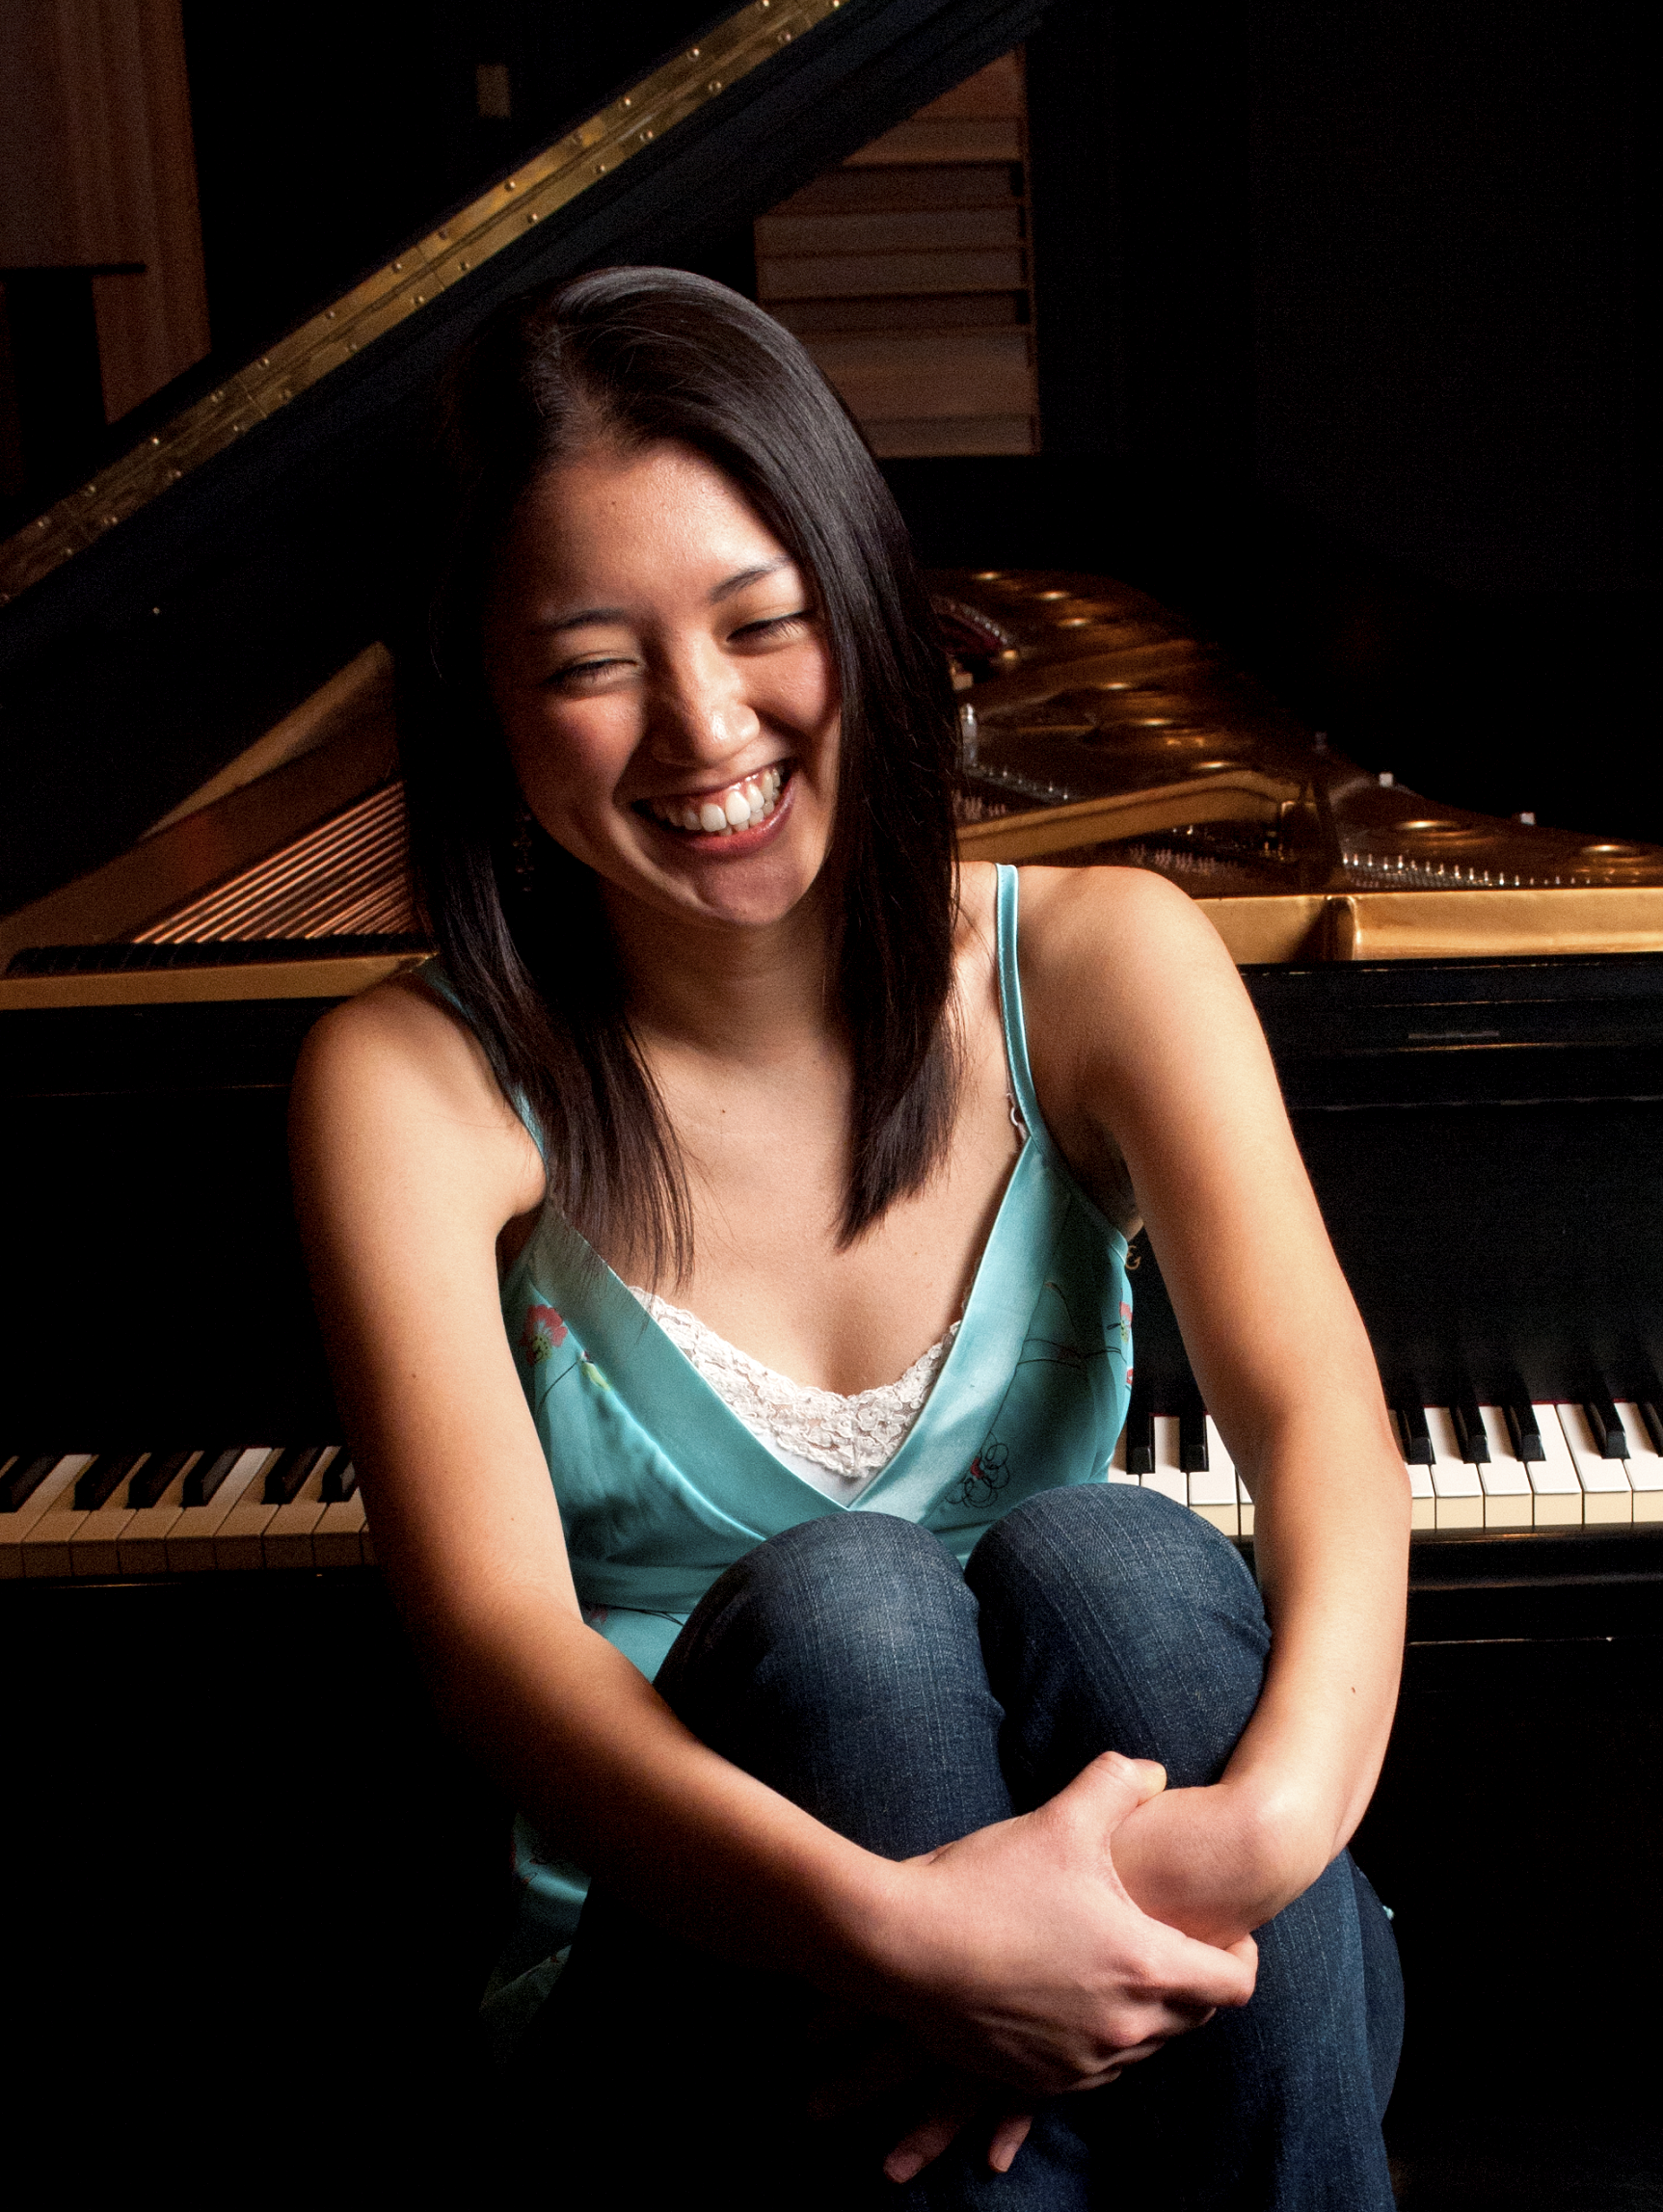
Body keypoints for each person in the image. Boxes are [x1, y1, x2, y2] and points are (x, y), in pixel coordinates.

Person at [289, 266, 1410, 2204]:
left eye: (761, 619)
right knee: (852, 1611)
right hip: (692, 1977)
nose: (704, 723)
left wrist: (1253, 1835)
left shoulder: (1101, 956)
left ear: (864, 610)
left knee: (1114, 1564)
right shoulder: (407, 1080)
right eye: (590, 660)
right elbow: (492, 1656)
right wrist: (909, 1935)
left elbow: (1324, 1436)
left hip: (1155, 1917)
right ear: (482, 697)